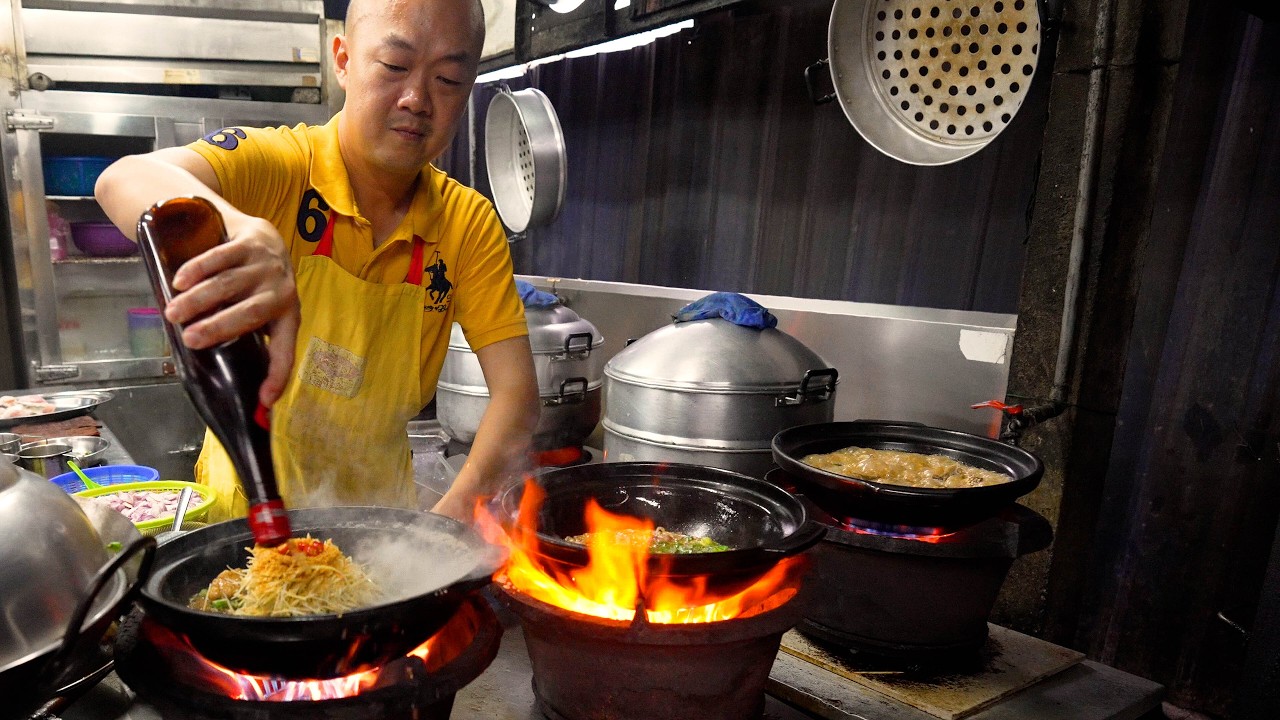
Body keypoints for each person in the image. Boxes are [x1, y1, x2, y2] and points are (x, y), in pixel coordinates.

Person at [95, 0, 540, 523]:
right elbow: (122, 179)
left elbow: (517, 401)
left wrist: (440, 528)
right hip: (243, 519)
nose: (418, 99)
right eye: (395, 67)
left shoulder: (468, 225)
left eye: (448, 79)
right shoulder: (280, 168)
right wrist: (240, 228)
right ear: (345, 61)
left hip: (381, 530)